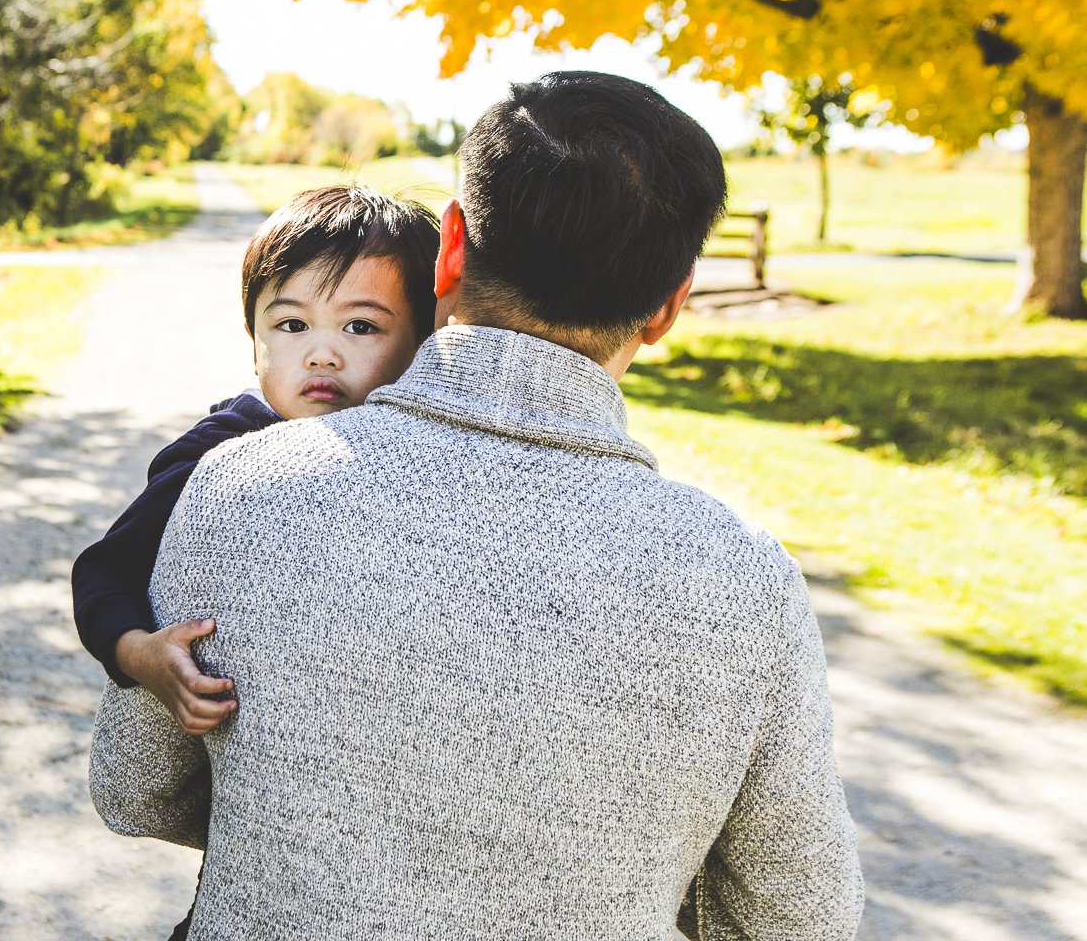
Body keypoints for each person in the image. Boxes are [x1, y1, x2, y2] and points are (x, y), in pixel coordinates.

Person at [90, 72, 864, 940]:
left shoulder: (239, 485)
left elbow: (135, 788)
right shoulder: (744, 585)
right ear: (668, 306)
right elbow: (797, 919)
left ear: (449, 250)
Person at [73, 185, 440, 939]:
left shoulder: (423, 460)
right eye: (292, 323)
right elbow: (103, 570)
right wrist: (141, 654)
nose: (323, 351)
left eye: (361, 326)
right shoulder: (223, 449)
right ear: (253, 337)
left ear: (424, 342)